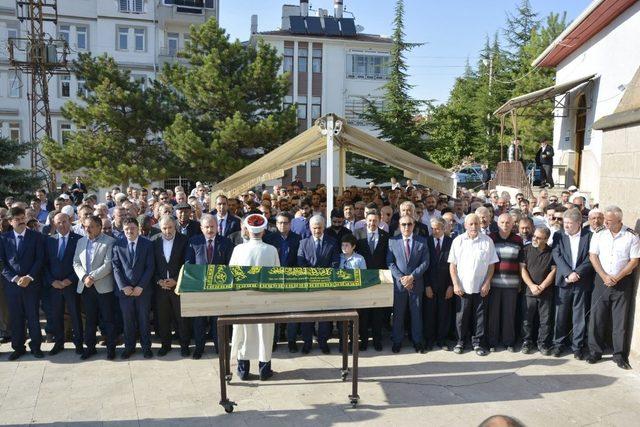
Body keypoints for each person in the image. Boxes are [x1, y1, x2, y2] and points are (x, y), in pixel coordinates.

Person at [587, 206, 640, 370]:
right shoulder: (599, 233)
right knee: (597, 318)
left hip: (622, 283)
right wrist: (604, 276)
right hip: (601, 280)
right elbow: (593, 255)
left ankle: (619, 355)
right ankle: (595, 352)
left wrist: (617, 277)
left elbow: (634, 260)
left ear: (619, 220)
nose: (605, 222)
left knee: (620, 321)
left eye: (609, 220)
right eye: (605, 220)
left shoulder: (631, 236)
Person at [230, 214, 281, 381]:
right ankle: (264, 371)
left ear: (247, 230)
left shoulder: (238, 250)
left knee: (244, 333)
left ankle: (243, 371)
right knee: (264, 334)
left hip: (244, 300)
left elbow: (232, 275)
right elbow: (277, 275)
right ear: (263, 230)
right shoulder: (271, 250)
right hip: (266, 301)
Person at [449, 214, 499, 356]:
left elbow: (491, 265)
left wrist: (487, 282)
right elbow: (452, 265)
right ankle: (460, 342)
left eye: (476, 223)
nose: (474, 226)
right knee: (461, 317)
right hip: (462, 287)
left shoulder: (487, 241)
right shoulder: (458, 241)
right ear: (465, 225)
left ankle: (477, 343)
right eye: (471, 224)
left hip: (481, 287)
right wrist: (455, 284)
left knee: (480, 317)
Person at [185, 214, 234, 359]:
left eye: (212, 226)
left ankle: (220, 348)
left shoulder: (226, 242)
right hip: (200, 289)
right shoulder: (193, 242)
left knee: (217, 321)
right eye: (206, 227)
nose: (210, 229)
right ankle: (199, 348)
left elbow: (230, 265)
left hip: (219, 289)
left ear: (217, 227)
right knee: (199, 320)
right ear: (201, 228)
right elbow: (189, 264)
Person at [0, 207, 44, 360]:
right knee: (16, 318)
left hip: (31, 284)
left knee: (33, 317)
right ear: (10, 222)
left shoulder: (36, 237)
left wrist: (29, 277)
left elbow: (40, 260)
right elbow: (2, 263)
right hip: (12, 286)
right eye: (17, 219)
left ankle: (36, 347)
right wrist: (15, 278)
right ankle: (18, 348)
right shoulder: (4, 238)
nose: (21, 222)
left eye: (22, 218)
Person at [551, 208, 594, 359]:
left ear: (578, 223)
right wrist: (568, 273)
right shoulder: (558, 235)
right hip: (564, 281)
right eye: (565, 222)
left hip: (581, 282)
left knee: (579, 316)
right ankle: (558, 345)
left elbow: (591, 258)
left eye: (569, 223)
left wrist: (578, 273)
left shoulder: (589, 236)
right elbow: (556, 255)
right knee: (560, 316)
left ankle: (577, 347)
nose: (566, 226)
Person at [73, 215, 117, 360]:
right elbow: (76, 262)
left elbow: (108, 264)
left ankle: (111, 349)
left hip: (103, 287)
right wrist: (85, 277)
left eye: (91, 226)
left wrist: (92, 277)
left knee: (108, 319)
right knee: (90, 320)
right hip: (86, 287)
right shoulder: (81, 241)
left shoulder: (109, 241)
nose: (88, 229)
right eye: (85, 226)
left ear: (99, 226)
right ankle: (90, 348)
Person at [111, 218, 155, 359]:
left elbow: (150, 267)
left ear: (138, 229)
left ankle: (146, 347)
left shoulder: (147, 244)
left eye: (132, 228)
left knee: (144, 320)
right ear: (123, 230)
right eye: (126, 229)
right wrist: (124, 287)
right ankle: (129, 347)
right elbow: (115, 267)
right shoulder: (118, 245)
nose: (129, 231)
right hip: (125, 292)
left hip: (143, 291)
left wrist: (141, 286)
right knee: (128, 321)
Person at [297, 214, 340, 354]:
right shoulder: (303, 243)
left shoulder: (332, 242)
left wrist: (324, 276)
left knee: (324, 317)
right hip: (308, 286)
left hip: (325, 285)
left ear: (324, 227)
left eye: (320, 228)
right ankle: (307, 343)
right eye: (314, 228)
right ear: (310, 228)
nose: (317, 231)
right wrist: (313, 276)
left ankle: (323, 342)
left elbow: (335, 262)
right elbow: (301, 262)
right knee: (307, 316)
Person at [387, 214, 429, 353]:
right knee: (398, 315)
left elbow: (425, 262)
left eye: (409, 224)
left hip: (416, 284)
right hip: (399, 285)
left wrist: (412, 277)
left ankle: (418, 341)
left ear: (414, 226)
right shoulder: (392, 241)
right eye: (403, 224)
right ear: (399, 226)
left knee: (416, 314)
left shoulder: (422, 241)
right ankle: (397, 341)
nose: (406, 227)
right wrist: (402, 279)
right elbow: (390, 263)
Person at [43, 213, 83, 356]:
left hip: (71, 285)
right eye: (59, 222)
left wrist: (70, 279)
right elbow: (45, 264)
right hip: (54, 286)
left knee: (75, 315)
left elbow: (81, 263)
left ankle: (79, 343)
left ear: (70, 222)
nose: (62, 225)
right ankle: (59, 343)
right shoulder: (49, 241)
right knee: (56, 315)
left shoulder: (79, 240)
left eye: (65, 221)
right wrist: (52, 281)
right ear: (54, 224)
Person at [263, 212, 301, 353]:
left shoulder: (297, 238)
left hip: (291, 279)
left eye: (285, 223)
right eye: (280, 223)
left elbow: (299, 258)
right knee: (274, 313)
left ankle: (291, 341)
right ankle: (273, 340)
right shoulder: (269, 239)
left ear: (290, 224)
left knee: (291, 312)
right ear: (276, 224)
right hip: (274, 280)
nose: (282, 225)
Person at [153, 215, 190, 357]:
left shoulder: (184, 240)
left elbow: (186, 263)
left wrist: (176, 280)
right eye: (164, 228)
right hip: (160, 287)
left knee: (181, 318)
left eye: (170, 228)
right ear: (160, 228)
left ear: (175, 227)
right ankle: (165, 345)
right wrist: (159, 281)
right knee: (163, 318)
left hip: (178, 286)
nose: (167, 231)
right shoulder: (154, 241)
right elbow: (152, 264)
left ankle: (185, 345)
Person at [487, 214, 524, 352]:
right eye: (502, 222)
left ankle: (509, 341)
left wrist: (520, 281)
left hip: (511, 284)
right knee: (493, 315)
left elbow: (521, 263)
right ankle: (492, 342)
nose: (505, 224)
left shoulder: (518, 239)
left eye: (508, 222)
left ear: (513, 223)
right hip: (493, 283)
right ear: (498, 223)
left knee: (509, 314)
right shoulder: (491, 238)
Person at [354, 210, 389, 351]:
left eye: (375, 221)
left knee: (377, 311)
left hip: (379, 277)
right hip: (363, 278)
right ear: (365, 220)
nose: (372, 223)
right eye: (370, 220)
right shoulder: (357, 234)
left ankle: (377, 340)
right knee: (363, 312)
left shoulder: (385, 236)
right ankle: (363, 341)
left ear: (379, 221)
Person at [520, 226, 556, 355]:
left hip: (546, 292)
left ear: (546, 239)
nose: (534, 239)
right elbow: (522, 269)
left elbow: (554, 271)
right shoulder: (526, 250)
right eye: (534, 236)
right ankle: (527, 342)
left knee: (545, 320)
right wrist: (532, 286)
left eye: (538, 237)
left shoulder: (552, 252)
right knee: (527, 319)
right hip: (529, 292)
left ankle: (543, 343)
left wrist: (542, 286)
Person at [423, 217, 454, 351]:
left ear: (443, 228)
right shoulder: (426, 242)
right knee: (429, 314)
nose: (434, 231)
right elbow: (424, 265)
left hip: (445, 284)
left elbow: (454, 266)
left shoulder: (451, 242)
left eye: (437, 228)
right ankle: (429, 340)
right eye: (432, 228)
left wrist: (451, 285)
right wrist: (427, 285)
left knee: (444, 314)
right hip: (430, 284)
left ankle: (442, 340)